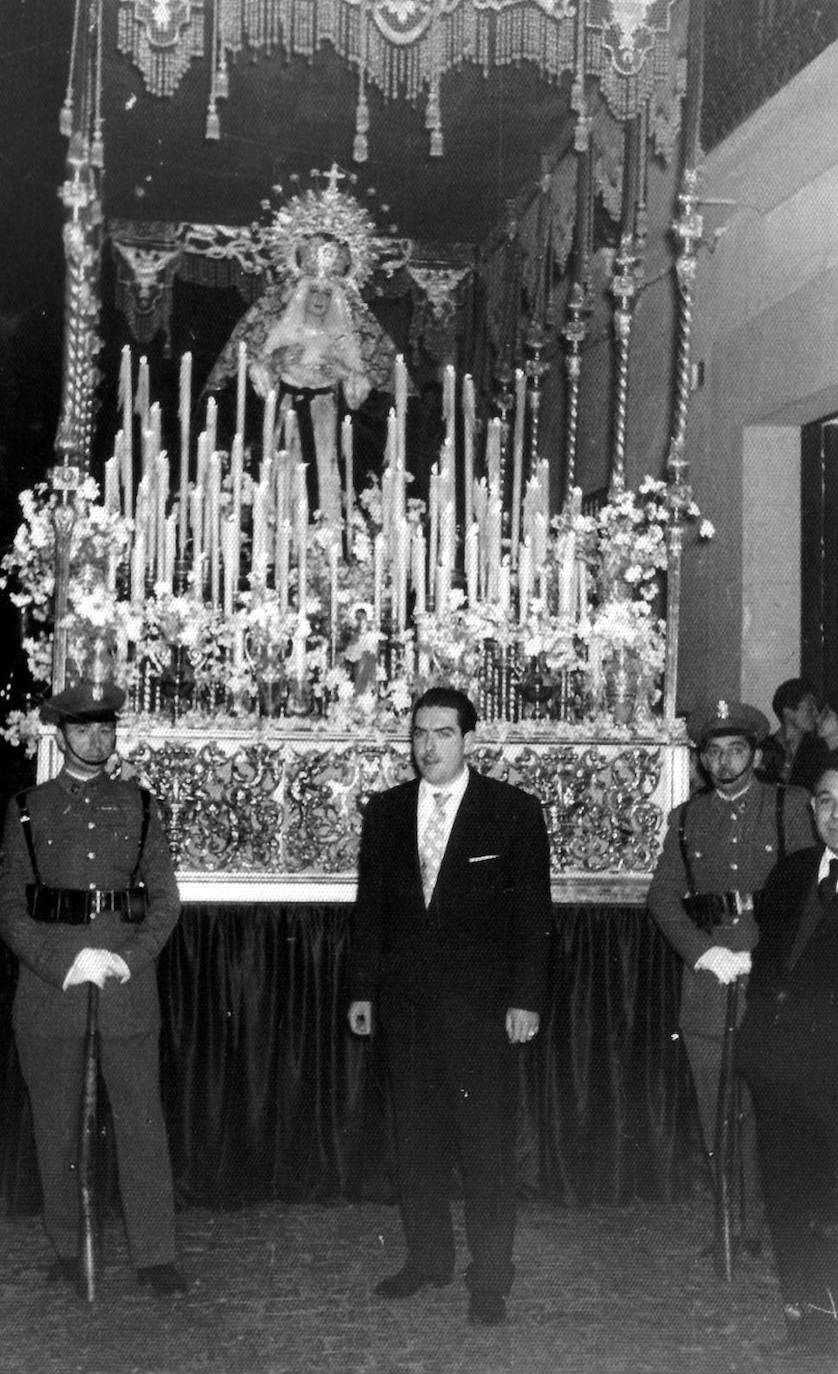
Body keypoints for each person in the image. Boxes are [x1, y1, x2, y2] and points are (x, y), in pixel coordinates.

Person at [347, 685, 552, 1325]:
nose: (427, 746)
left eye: (441, 733)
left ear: (469, 740)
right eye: (419, 734)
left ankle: (490, 1275)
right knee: (417, 1143)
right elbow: (370, 914)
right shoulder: (385, 812)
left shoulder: (512, 812)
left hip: (483, 1014)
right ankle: (427, 1260)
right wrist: (361, 989)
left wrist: (526, 998)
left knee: (486, 1146)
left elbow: (532, 916)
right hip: (407, 1012)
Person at [0, 680, 186, 1297]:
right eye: (82, 729)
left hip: (125, 988)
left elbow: (164, 900)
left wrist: (127, 960)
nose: (95, 739)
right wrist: (64, 962)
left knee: (140, 1121)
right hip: (51, 990)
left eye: (105, 728)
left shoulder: (140, 805)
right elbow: (11, 912)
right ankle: (67, 1242)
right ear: (60, 733)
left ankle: (155, 1255)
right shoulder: (27, 807)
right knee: (56, 1125)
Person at [647, 699, 814, 1255]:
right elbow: (663, 898)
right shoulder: (687, 818)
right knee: (717, 1107)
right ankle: (732, 1224)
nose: (724, 763)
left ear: (757, 754)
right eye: (713, 752)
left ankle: (778, 1224)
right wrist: (702, 953)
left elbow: (810, 892)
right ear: (700, 760)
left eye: (736, 750)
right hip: (711, 983)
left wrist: (762, 954)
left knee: (776, 1106)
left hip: (774, 979)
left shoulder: (791, 806)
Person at [736, 753, 838, 1355]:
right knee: (786, 1192)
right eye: (825, 801)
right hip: (779, 1069)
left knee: (830, 1197)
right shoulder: (795, 872)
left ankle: (826, 1320)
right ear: (811, 808)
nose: (835, 815)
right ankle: (801, 1303)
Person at [758, 677, 829, 789]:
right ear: (788, 712)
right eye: (810, 708)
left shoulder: (818, 748)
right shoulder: (763, 747)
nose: (816, 714)